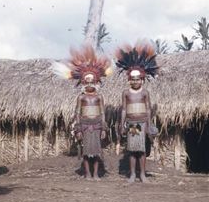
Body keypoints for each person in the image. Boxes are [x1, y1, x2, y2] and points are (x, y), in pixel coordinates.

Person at [52, 44, 113, 180]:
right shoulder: (81, 97)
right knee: (86, 153)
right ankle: (87, 174)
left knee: (97, 152)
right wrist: (78, 129)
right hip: (85, 126)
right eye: (87, 81)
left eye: (92, 81)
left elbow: (102, 112)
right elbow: (78, 113)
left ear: (97, 81)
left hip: (96, 125)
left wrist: (103, 128)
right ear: (83, 82)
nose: (90, 84)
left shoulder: (99, 97)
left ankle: (96, 174)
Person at [115, 40, 159, 183]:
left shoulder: (145, 92)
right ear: (129, 80)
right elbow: (123, 110)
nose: (135, 81)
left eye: (138, 79)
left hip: (143, 123)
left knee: (142, 151)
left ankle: (142, 174)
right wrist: (122, 125)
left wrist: (149, 124)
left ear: (142, 79)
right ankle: (133, 174)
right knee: (133, 150)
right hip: (132, 124)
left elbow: (148, 109)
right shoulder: (126, 93)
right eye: (132, 79)